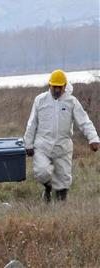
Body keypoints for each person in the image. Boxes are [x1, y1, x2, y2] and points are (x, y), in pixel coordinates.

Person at [24, 69, 99, 202]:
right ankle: (47, 188)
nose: (57, 90)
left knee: (63, 179)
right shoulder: (40, 100)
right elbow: (32, 123)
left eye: (60, 87)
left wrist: (93, 138)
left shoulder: (72, 101)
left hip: (63, 146)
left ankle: (60, 206)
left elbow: (84, 121)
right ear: (49, 85)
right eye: (54, 87)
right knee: (42, 172)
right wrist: (28, 144)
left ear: (65, 85)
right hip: (42, 145)